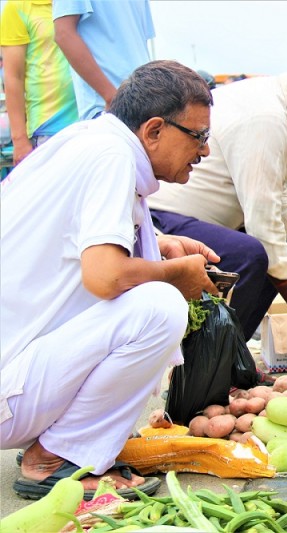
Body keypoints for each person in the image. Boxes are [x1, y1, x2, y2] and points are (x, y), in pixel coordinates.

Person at [1, 60, 218, 499]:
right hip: (10, 391)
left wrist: (159, 242)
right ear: (154, 130)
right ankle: (55, 458)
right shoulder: (112, 157)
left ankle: (64, 441)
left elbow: (77, 243)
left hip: (15, 377)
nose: (205, 151)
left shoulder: (89, 139)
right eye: (199, 137)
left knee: (150, 294)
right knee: (160, 306)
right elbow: (105, 276)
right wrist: (175, 274)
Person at [148, 48, 287, 350]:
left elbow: (273, 194)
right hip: (164, 221)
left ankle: (230, 352)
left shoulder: (281, 107)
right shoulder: (267, 116)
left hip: (198, 222)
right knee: (253, 254)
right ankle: (206, 362)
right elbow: (263, 221)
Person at [1, 0, 78, 165]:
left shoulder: (83, 3)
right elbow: (13, 77)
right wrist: (19, 139)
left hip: (93, 120)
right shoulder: (18, 6)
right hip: (49, 127)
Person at [53, 0, 154, 120]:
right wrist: (112, 97)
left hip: (144, 101)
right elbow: (64, 34)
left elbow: (139, 40)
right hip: (107, 107)